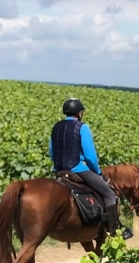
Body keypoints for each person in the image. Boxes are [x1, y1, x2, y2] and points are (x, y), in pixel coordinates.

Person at [49, 98, 132, 240]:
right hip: (79, 170)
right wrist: (98, 172)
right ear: (79, 113)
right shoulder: (82, 127)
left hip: (60, 171)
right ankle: (115, 230)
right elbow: (90, 156)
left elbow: (52, 152)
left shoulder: (56, 127)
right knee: (109, 195)